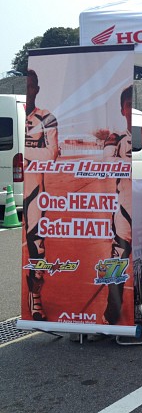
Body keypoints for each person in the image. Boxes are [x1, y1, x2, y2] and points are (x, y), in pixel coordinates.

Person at [23, 69, 59, 321]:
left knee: (37, 244)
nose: (28, 90)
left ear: (36, 89)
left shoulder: (46, 117)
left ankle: (36, 298)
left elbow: (51, 154)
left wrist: (25, 154)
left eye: (31, 86)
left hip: (34, 189)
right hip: (17, 186)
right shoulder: (15, 114)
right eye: (24, 85)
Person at [102, 85, 133, 325]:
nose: (130, 109)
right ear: (122, 109)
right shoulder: (117, 138)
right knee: (118, 255)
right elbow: (105, 168)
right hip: (124, 209)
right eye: (128, 105)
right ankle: (113, 304)